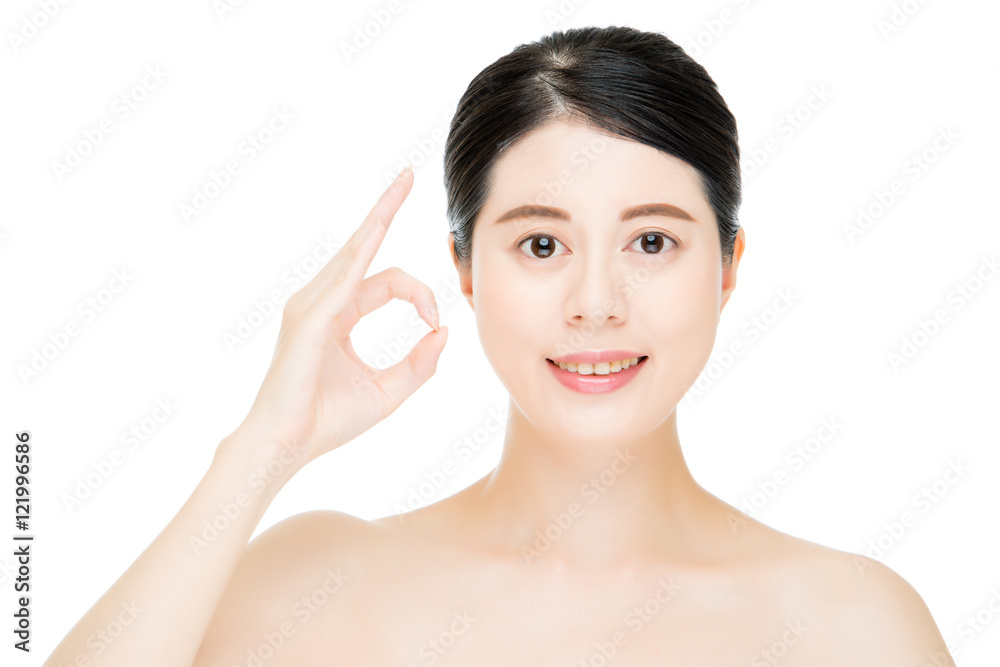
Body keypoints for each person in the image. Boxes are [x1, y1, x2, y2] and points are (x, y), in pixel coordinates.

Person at [47, 25, 954, 666]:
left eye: (651, 242)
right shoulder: (319, 579)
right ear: (466, 268)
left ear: (727, 265)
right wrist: (257, 451)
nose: (595, 304)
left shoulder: (854, 626)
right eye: (542, 244)